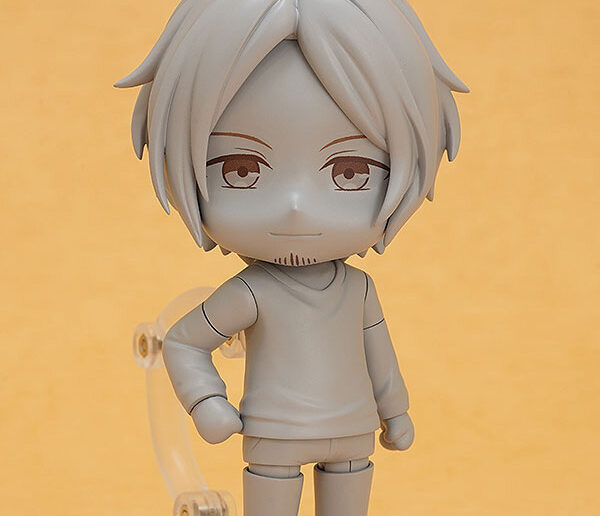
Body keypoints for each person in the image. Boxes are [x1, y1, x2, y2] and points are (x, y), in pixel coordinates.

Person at [116, 1, 467, 514]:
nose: (296, 207)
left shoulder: (358, 289)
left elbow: (380, 355)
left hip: (353, 431)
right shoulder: (251, 292)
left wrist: (396, 411)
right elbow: (184, 342)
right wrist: (206, 402)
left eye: (350, 171)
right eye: (240, 169)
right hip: (274, 437)